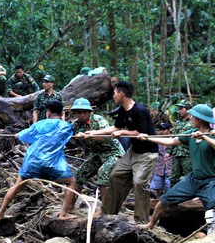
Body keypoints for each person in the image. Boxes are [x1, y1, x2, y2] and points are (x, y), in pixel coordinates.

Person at [76, 80, 158, 223]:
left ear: (121, 94)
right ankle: (108, 213)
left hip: (147, 153)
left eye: (114, 93)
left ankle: (141, 221)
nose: (113, 96)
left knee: (139, 183)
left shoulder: (140, 110)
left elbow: (141, 133)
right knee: (115, 176)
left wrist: (123, 132)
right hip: (133, 151)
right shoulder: (122, 110)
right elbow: (115, 128)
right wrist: (92, 133)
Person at [140, 104, 215, 230]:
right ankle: (150, 225)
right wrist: (149, 138)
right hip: (193, 179)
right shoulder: (191, 134)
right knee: (163, 200)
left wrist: (205, 137)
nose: (191, 119)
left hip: (211, 181)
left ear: (200, 119)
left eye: (193, 117)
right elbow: (171, 141)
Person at [0, 100, 80, 220]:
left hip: (32, 164)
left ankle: (0, 214)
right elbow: (67, 134)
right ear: (62, 113)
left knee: (16, 186)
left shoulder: (39, 124)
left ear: (48, 113)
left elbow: (24, 136)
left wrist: (18, 135)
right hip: (52, 166)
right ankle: (63, 214)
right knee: (72, 182)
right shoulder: (66, 127)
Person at [70, 98, 125, 201]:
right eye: (79, 112)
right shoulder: (75, 125)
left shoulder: (98, 120)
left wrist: (89, 135)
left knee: (103, 173)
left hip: (114, 153)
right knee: (79, 175)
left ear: (89, 112)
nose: (82, 115)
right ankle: (70, 207)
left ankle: (105, 210)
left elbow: (105, 136)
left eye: (85, 112)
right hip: (98, 155)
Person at [169, 100, 193, 185]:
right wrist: (169, 152)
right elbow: (173, 137)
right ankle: (173, 195)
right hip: (177, 153)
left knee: (188, 176)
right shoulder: (178, 123)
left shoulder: (193, 122)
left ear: (188, 109)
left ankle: (189, 196)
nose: (179, 111)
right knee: (173, 176)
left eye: (181, 108)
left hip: (188, 153)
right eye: (179, 109)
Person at [150, 122, 174, 198]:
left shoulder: (174, 140)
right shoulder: (157, 140)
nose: (161, 131)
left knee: (169, 184)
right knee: (157, 185)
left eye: (163, 129)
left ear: (168, 130)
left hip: (170, 165)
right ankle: (157, 199)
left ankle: (169, 199)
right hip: (159, 164)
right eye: (160, 129)